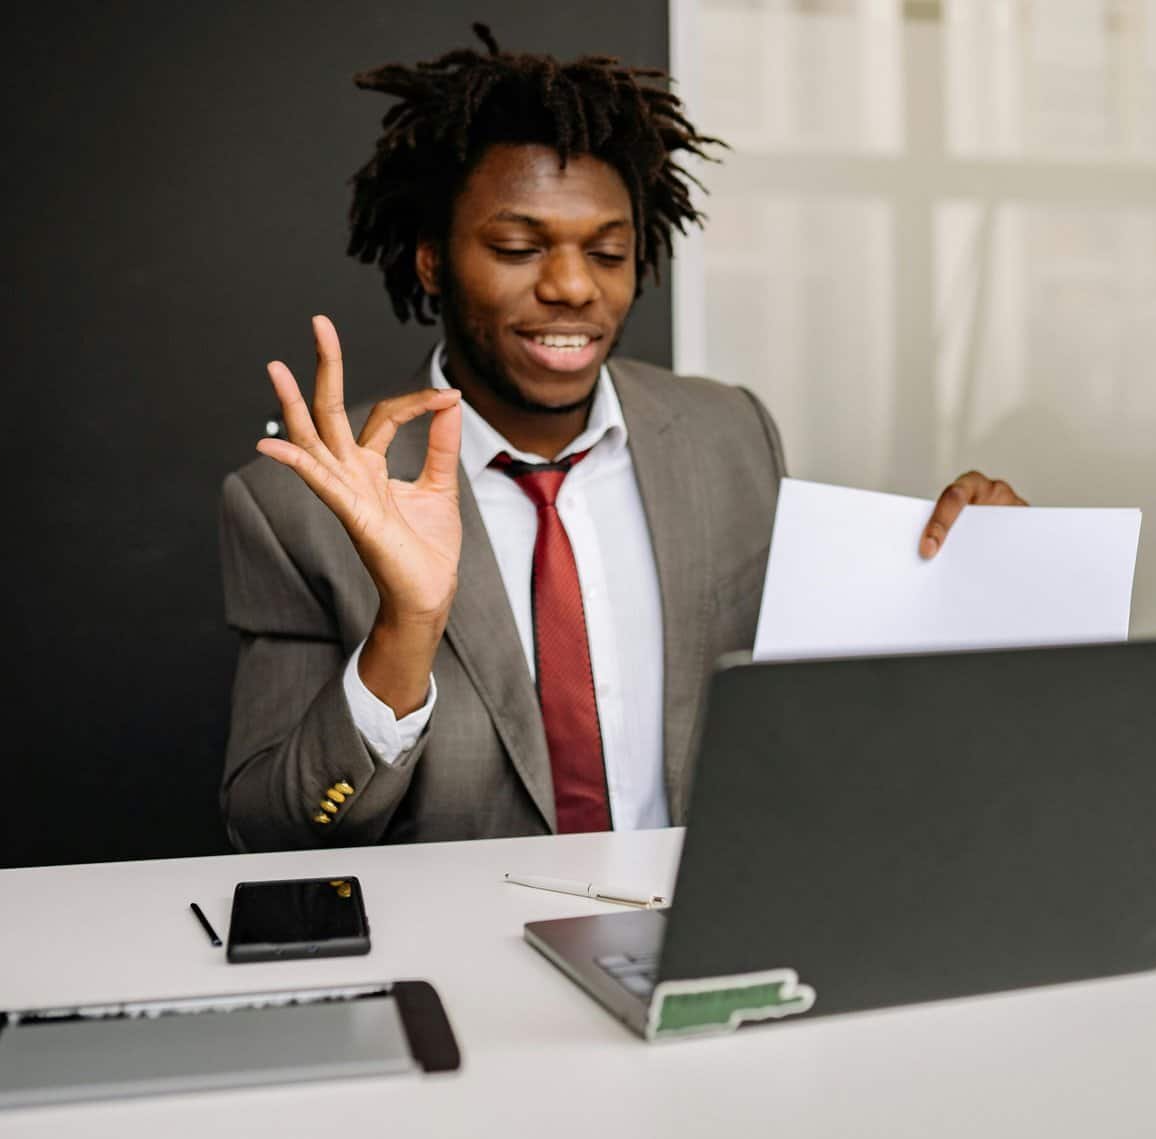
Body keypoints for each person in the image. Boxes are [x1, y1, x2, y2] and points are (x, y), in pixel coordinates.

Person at [218, 26, 1026, 852]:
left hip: (704, 917)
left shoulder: (729, 434)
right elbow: (274, 828)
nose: (574, 286)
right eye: (518, 247)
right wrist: (406, 628)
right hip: (458, 934)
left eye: (608, 252)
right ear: (432, 261)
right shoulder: (299, 502)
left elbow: (822, 715)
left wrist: (983, 576)